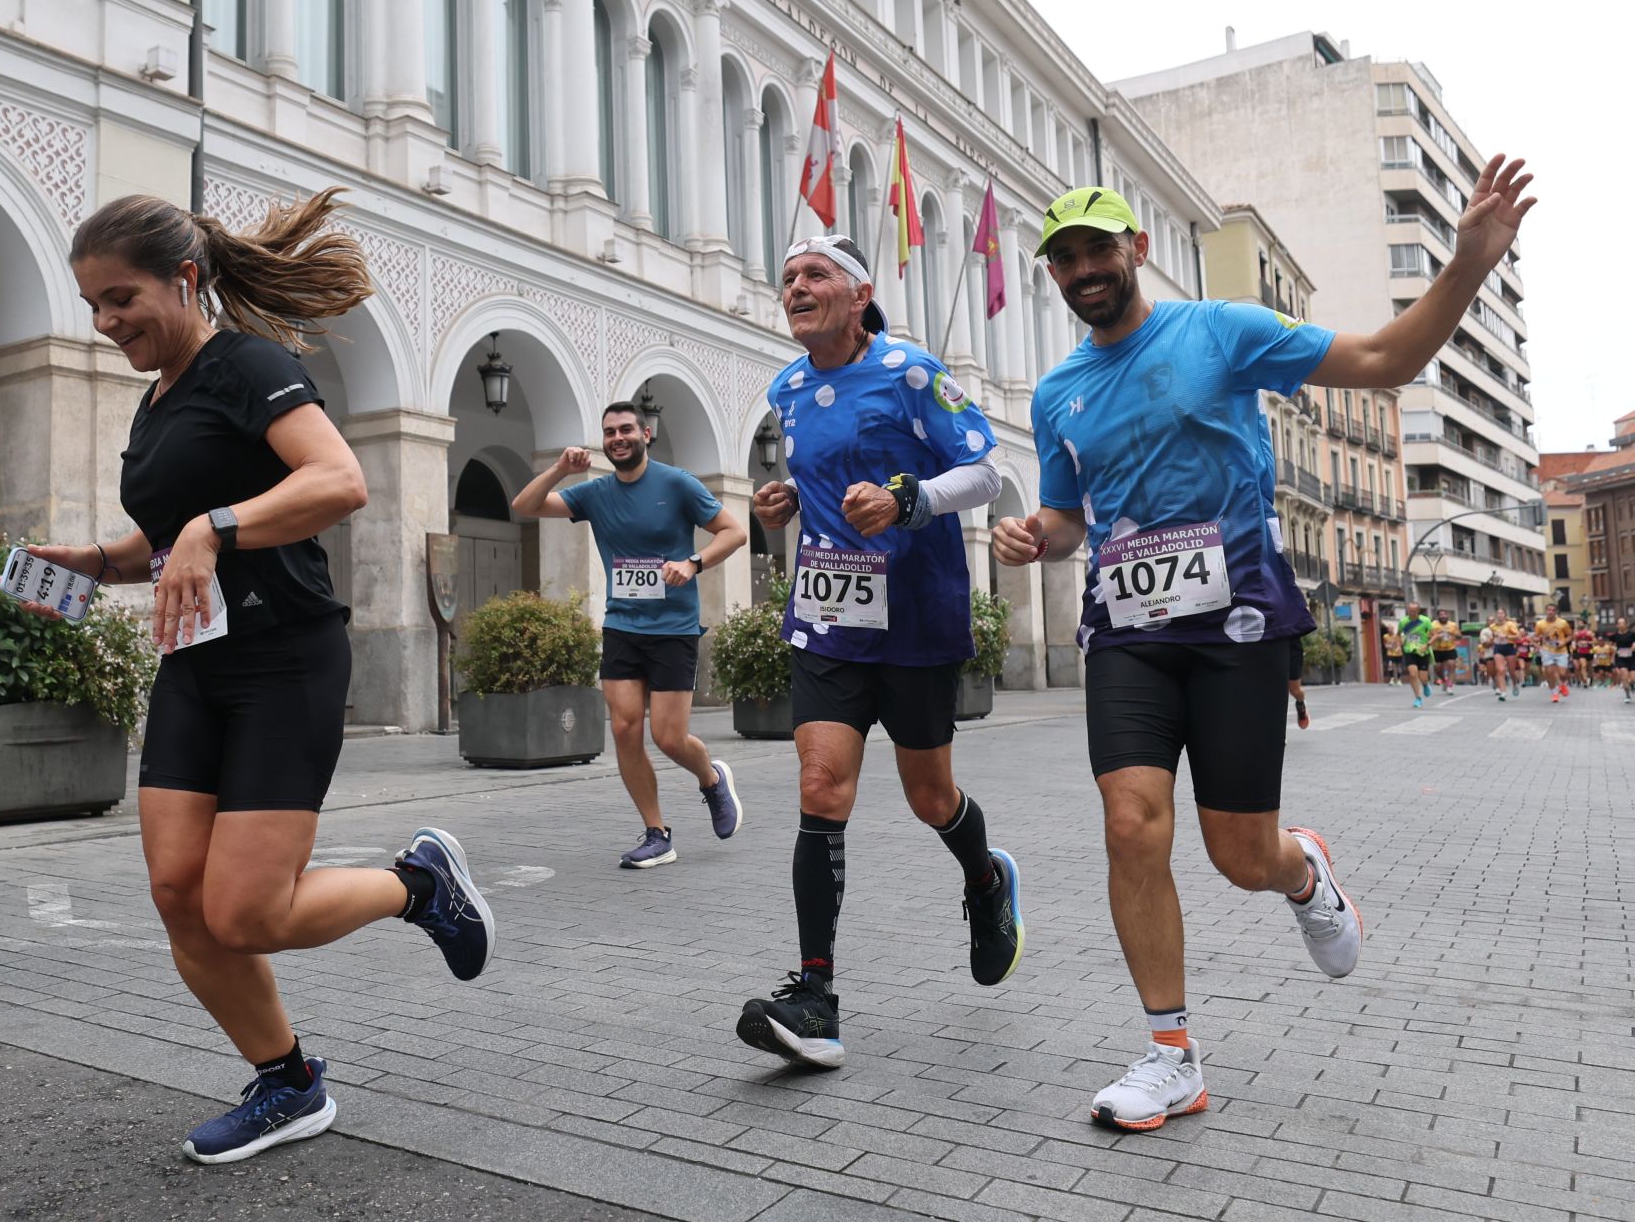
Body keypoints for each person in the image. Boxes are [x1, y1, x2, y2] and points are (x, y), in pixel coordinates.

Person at [996, 155, 1532, 1133]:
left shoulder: (1223, 329)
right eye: (1063, 258)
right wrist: (1041, 534)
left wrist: (1467, 265)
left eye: (1097, 249)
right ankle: (1171, 1056)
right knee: (1130, 822)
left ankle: (1302, 871)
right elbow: (1068, 518)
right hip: (1125, 626)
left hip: (1236, 614)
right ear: (1053, 274)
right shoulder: (1057, 393)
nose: (1082, 270)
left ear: (1137, 251)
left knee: (1239, 853)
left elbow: (1380, 362)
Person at [2, 190, 495, 1165]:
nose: (105, 324)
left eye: (121, 298)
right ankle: (289, 1082)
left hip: (285, 661)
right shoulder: (155, 404)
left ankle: (416, 883)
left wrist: (211, 529)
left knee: (246, 911)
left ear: (185, 281)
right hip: (194, 664)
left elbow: (338, 481)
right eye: (93, 304)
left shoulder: (248, 365)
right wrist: (95, 563)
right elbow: (168, 525)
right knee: (180, 894)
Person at [737, 234, 1022, 1071]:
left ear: (859, 294)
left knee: (930, 797)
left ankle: (985, 879)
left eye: (813, 275)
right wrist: (782, 502)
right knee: (821, 784)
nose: (795, 286)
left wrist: (907, 499)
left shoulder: (910, 370)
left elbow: (989, 473)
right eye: (786, 276)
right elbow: (821, 480)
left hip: (916, 615)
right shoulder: (786, 388)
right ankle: (815, 996)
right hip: (829, 613)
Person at [511, 403, 749, 868]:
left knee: (669, 737)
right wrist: (560, 468)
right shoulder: (595, 493)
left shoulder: (676, 483)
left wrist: (693, 563)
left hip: (674, 628)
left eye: (625, 429)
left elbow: (734, 531)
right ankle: (657, 833)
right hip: (622, 625)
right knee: (623, 728)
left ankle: (712, 780)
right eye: (609, 432)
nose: (617, 437)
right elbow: (524, 506)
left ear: (645, 433)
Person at [1398, 601, 1435, 709]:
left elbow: (1434, 636)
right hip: (1409, 651)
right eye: (1410, 611)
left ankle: (1425, 685)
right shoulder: (1403, 622)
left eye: (1414, 611)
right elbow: (1398, 635)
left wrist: (1427, 644)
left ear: (1418, 611)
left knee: (1423, 676)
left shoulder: (1425, 621)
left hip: (1423, 651)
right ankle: (1418, 698)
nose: (1412, 613)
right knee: (1413, 674)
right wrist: (1399, 644)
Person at [1535, 604, 1573, 703]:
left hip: (1561, 651)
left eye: (1552, 610)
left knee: (1562, 673)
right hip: (1547, 650)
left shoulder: (1563, 623)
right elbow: (1535, 637)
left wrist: (1563, 642)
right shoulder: (1540, 624)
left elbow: (1570, 635)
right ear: (1546, 611)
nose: (1550, 612)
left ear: (1555, 612)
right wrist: (1539, 642)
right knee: (1550, 672)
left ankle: (1562, 684)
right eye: (1548, 610)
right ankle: (1554, 693)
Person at [1488, 609, 1522, 700]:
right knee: (1500, 670)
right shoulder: (1492, 626)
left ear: (1505, 615)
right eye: (1498, 613)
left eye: (1502, 613)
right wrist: (1490, 641)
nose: (1500, 615)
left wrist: (1506, 636)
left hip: (1509, 647)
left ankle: (1514, 683)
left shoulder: (1510, 624)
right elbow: (1492, 637)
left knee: (1512, 672)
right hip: (1498, 648)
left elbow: (1518, 636)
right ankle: (1503, 692)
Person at [1428, 608, 1460, 696]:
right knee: (1437, 668)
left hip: (1450, 648)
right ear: (1438, 616)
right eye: (1441, 615)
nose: (1443, 616)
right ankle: (1444, 681)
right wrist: (1436, 635)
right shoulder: (1433, 625)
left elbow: (1459, 636)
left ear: (1448, 616)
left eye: (1445, 615)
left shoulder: (1453, 625)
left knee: (1451, 664)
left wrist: (1451, 633)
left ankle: (1450, 686)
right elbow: (1428, 637)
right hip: (1437, 649)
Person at [1612, 617, 1635, 702]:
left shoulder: (1632, 634)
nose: (1620, 625)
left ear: (1626, 624)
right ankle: (1627, 695)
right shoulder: (1615, 636)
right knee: (1624, 676)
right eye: (1619, 623)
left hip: (1632, 658)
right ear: (1617, 625)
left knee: (1633, 679)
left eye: (1622, 623)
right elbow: (1613, 645)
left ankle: (1631, 685)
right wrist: (1613, 649)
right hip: (1621, 659)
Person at [1573, 620, 1596, 689]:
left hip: (1589, 651)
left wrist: (1587, 642)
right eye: (1578, 623)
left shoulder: (1589, 633)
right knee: (1583, 665)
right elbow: (1575, 641)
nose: (1579, 624)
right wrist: (1575, 645)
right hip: (1580, 651)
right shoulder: (1576, 633)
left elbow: (1595, 641)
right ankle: (1585, 681)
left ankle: (1591, 678)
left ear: (1584, 624)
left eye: (1581, 623)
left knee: (1589, 667)